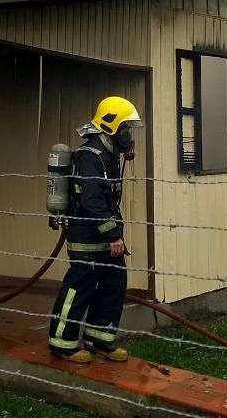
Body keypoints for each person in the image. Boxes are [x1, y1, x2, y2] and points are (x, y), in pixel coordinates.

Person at [47, 96, 142, 363]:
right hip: (87, 237)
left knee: (114, 284)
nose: (128, 135)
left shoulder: (109, 155)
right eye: (125, 128)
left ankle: (100, 338)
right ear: (110, 126)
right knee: (80, 287)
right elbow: (92, 201)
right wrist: (113, 234)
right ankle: (62, 342)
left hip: (107, 236)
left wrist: (114, 234)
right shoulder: (90, 157)